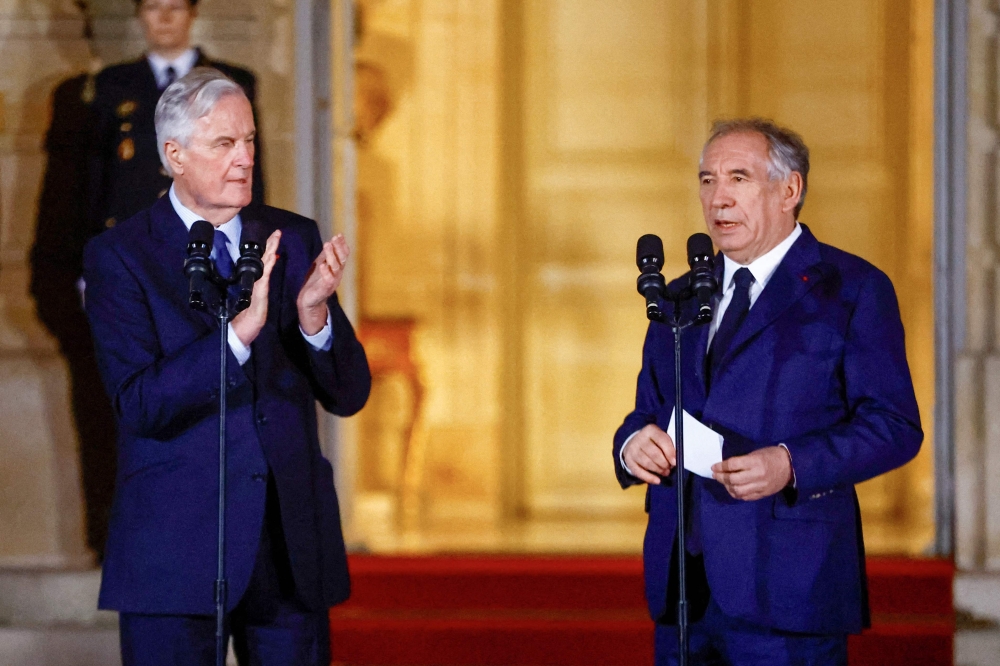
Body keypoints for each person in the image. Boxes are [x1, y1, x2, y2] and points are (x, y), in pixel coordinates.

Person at [83, 68, 370, 665]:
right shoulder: (119, 256)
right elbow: (140, 403)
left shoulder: (290, 237)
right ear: (174, 154)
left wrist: (314, 317)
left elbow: (348, 393)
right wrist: (236, 336)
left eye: (250, 141)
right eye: (223, 144)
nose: (243, 159)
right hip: (174, 553)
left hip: (287, 553)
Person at [613, 118, 922, 665]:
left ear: (789, 190)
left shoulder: (851, 289)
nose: (719, 198)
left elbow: (893, 426)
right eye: (707, 180)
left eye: (738, 177)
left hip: (789, 590)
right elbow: (646, 412)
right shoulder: (679, 298)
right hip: (685, 588)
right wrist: (632, 444)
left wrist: (790, 464)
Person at [89, 0, 264, 232]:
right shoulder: (113, 84)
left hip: (210, 229)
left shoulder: (230, 81)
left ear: (193, 13)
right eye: (153, 8)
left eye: (176, 8)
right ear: (139, 14)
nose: (165, 18)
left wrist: (252, 234)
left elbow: (250, 166)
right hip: (134, 233)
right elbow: (96, 172)